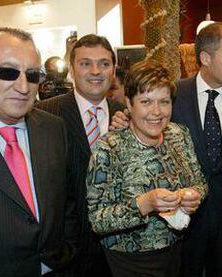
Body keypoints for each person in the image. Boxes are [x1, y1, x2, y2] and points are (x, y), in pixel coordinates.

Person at [111, 22, 222, 276]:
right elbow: (143, 121)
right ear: (205, 58)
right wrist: (123, 121)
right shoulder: (172, 95)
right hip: (178, 221)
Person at [86, 59, 208, 277]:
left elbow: (200, 181)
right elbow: (97, 220)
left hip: (177, 250)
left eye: (164, 101)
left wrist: (194, 195)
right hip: (132, 259)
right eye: (146, 101)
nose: (157, 111)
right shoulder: (109, 148)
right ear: (129, 104)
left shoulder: (178, 134)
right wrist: (145, 203)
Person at [0, 27, 77, 276]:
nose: (23, 87)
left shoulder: (52, 128)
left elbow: (67, 203)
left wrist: (67, 251)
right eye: (8, 73)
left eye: (32, 75)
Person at [36, 34, 124, 276]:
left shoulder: (128, 115)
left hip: (118, 253)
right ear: (72, 70)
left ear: (113, 71)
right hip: (66, 256)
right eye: (86, 63)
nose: (96, 71)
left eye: (104, 64)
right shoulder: (42, 114)